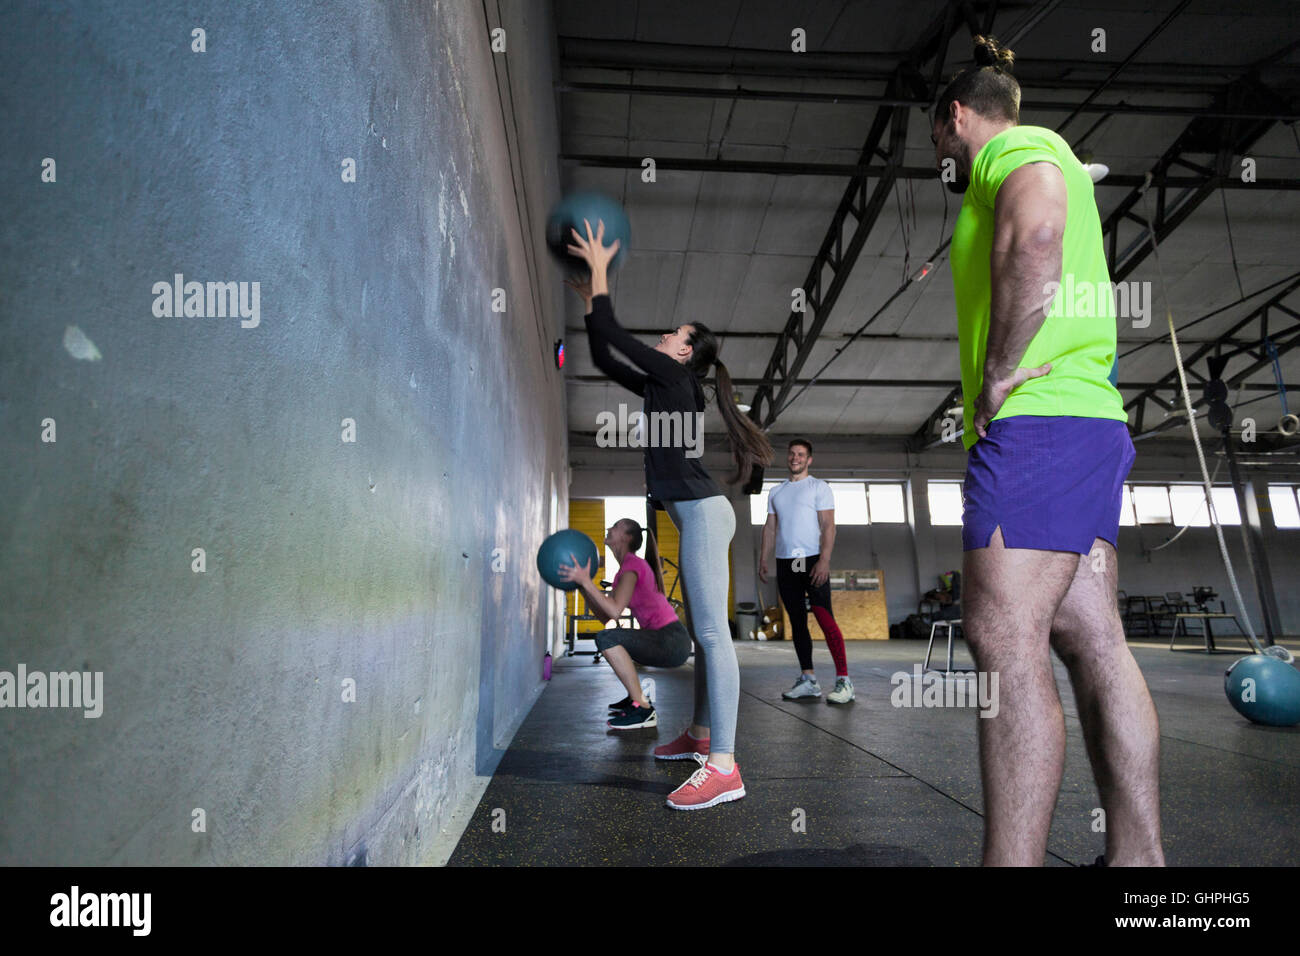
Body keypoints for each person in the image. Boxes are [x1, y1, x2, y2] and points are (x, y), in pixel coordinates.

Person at [932, 35, 1164, 865]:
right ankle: (1137, 861)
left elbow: (1037, 239)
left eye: (937, 137)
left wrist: (997, 376)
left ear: (956, 116)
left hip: (1038, 424)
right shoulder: (1039, 155)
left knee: (1003, 638)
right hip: (1088, 421)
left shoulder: (1017, 150)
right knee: (1091, 635)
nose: (939, 155)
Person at [565, 217, 773, 810]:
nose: (666, 334)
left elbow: (613, 331)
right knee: (708, 639)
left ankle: (725, 766)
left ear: (687, 351)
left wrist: (600, 273)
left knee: (711, 634)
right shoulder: (666, 384)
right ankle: (702, 736)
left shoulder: (674, 373)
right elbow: (608, 359)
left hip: (705, 514)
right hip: (699, 514)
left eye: (676, 332)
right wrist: (589, 305)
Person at [557, 518, 690, 730]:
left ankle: (643, 709)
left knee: (606, 637)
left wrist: (586, 581)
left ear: (626, 538)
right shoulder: (623, 572)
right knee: (608, 636)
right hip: (662, 639)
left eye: (616, 526)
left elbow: (614, 609)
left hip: (671, 640)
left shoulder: (633, 565)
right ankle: (634, 698)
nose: (609, 528)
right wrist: (583, 588)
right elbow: (609, 619)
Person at [759, 438, 854, 703]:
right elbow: (769, 527)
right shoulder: (776, 492)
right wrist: (763, 558)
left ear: (809, 459)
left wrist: (825, 559)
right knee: (797, 621)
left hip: (811, 560)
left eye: (800, 454)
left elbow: (828, 525)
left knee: (824, 617)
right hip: (787, 562)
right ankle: (808, 679)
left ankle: (844, 681)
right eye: (791, 454)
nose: (795, 458)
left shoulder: (819, 487)